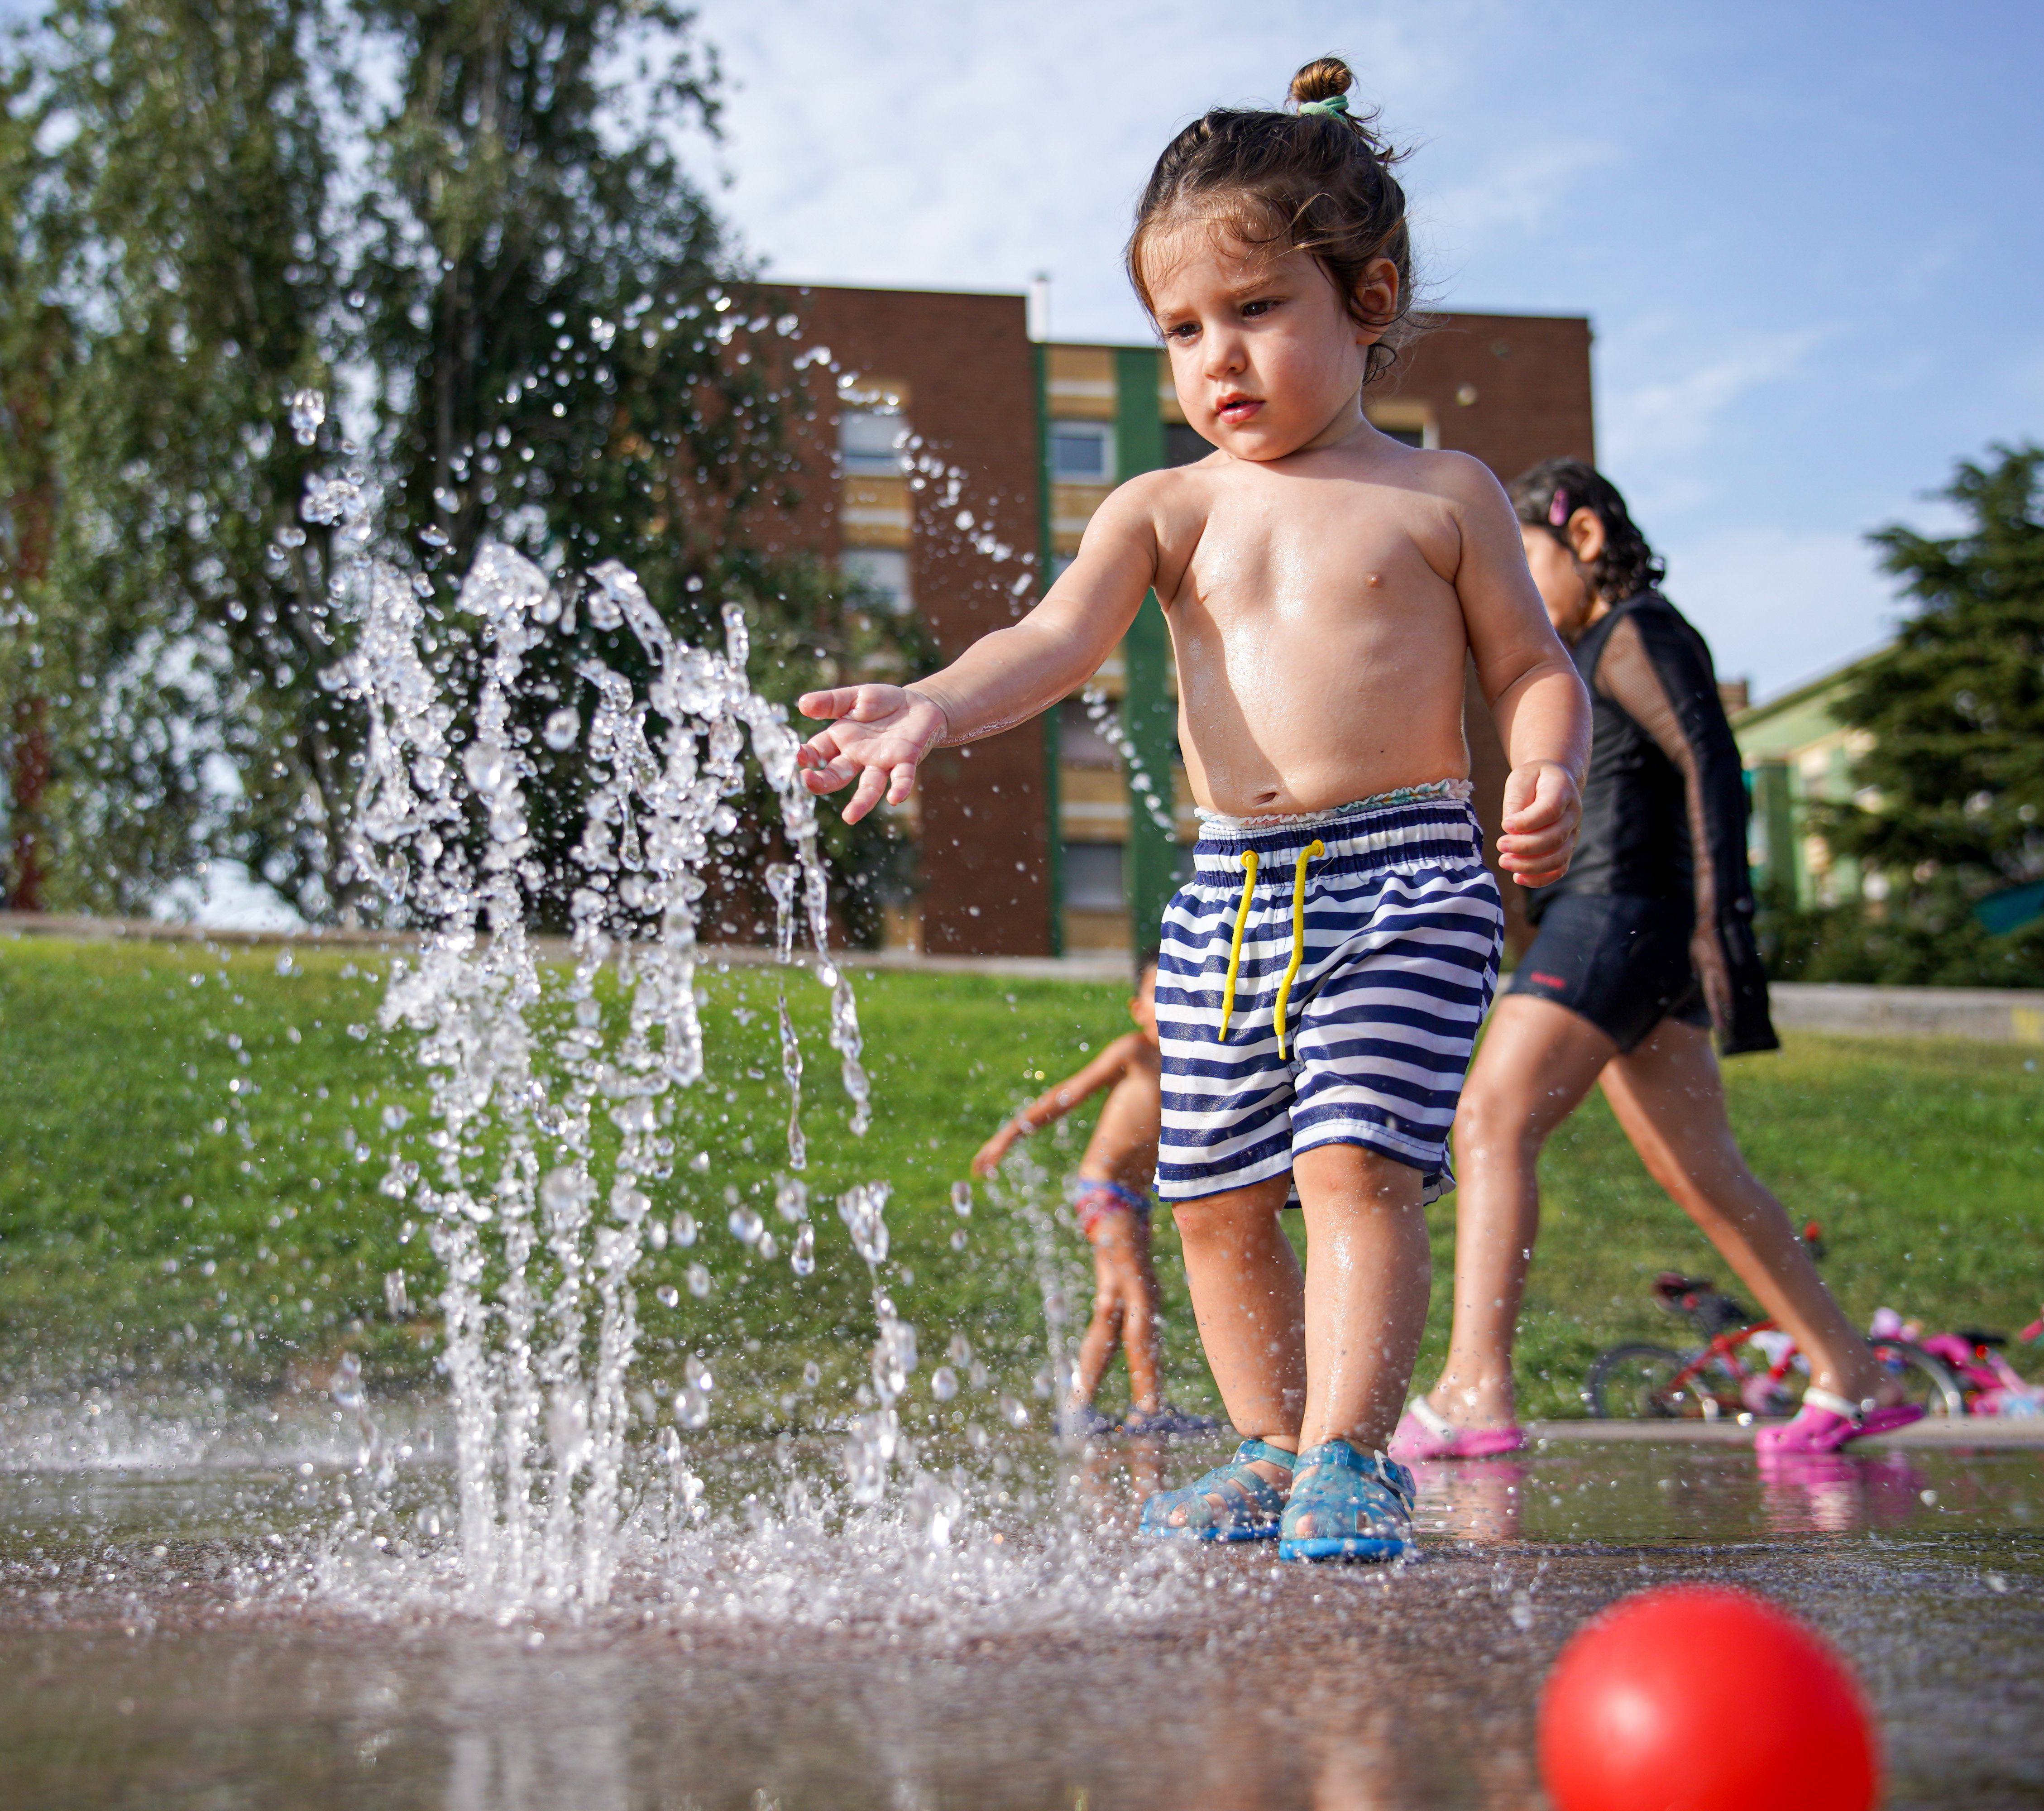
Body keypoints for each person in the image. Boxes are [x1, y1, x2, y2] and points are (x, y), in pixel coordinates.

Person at [796, 57, 1592, 1562]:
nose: (1215, 359)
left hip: (1405, 874)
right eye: (1179, 329)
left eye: (1254, 310)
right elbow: (1049, 642)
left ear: (1365, 301)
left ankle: (1352, 1455)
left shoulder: (1442, 496)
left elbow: (1531, 667)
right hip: (1227, 889)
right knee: (1212, 1190)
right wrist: (935, 704)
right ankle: (1264, 1443)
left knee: (1352, 1159)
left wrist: (1547, 763)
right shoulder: (1163, 509)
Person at [1392, 459, 1923, 1466]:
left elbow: (1710, 762)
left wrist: (1723, 926)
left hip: (1618, 917)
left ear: (1584, 538)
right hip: (1634, 930)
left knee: (1491, 1116)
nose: (1506, 581)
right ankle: (1851, 1373)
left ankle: (1473, 1385)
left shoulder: (1636, 630)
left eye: (1524, 555)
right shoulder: (1586, 651)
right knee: (1702, 1170)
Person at [972, 953, 1209, 1436]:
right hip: (1107, 1192)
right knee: (1145, 1294)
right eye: (1157, 995)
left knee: (1113, 1303)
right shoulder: (1134, 1052)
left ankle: (1078, 1409)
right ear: (1137, 1008)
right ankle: (1149, 1407)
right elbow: (1070, 1093)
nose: (1169, 1005)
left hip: (1133, 1200)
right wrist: (1008, 1135)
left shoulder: (1193, 1064)